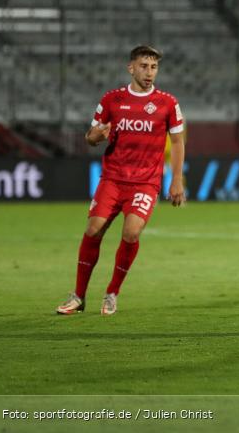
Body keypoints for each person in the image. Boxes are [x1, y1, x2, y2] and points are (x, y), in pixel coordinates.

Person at [56, 45, 186, 316]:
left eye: (154, 67)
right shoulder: (112, 99)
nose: (149, 72)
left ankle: (112, 293)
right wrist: (96, 136)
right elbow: (90, 136)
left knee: (131, 233)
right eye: (144, 66)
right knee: (93, 230)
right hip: (113, 179)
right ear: (131, 68)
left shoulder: (167, 103)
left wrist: (176, 180)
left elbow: (177, 141)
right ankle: (78, 296)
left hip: (146, 182)